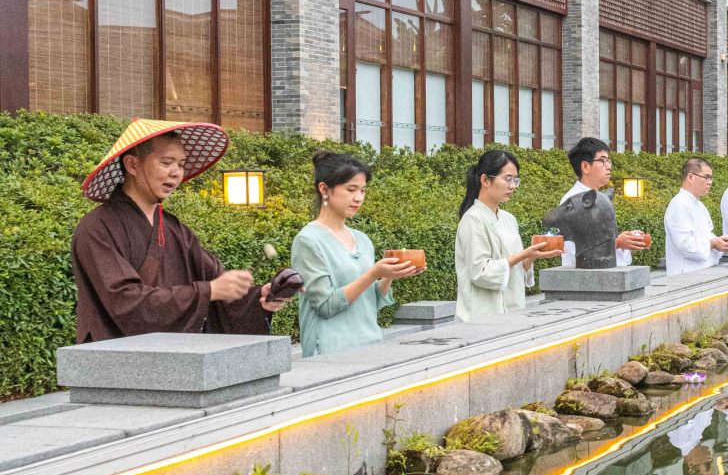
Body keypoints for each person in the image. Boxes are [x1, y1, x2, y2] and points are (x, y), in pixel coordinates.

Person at [71, 118, 292, 344]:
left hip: (174, 358)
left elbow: (217, 284)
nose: (176, 173)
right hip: (114, 361)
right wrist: (208, 291)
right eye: (167, 162)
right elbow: (124, 301)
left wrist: (260, 298)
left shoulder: (174, 229)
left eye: (181, 164)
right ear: (132, 165)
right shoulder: (97, 228)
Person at [291, 152, 424, 359]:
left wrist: (389, 275)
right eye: (351, 189)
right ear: (324, 189)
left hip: (369, 345)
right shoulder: (308, 241)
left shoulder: (362, 239)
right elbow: (325, 306)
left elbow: (370, 303)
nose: (359, 198)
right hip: (329, 351)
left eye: (363, 190)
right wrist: (372, 274)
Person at [454, 149, 549, 322]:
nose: (512, 186)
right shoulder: (472, 219)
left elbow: (515, 269)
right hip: (481, 317)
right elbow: (480, 272)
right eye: (507, 179)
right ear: (485, 180)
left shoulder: (509, 219)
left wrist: (530, 258)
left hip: (512, 312)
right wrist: (523, 254)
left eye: (515, 180)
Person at [557, 136, 650, 268]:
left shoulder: (600, 197)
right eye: (602, 160)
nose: (608, 166)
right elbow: (575, 250)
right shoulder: (573, 201)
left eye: (609, 160)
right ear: (585, 166)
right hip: (584, 278)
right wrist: (618, 243)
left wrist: (627, 241)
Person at [663, 158, 728, 276]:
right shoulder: (679, 204)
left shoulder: (699, 205)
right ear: (690, 177)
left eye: (711, 178)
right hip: (685, 273)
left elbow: (706, 234)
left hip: (702, 270)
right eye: (706, 177)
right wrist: (712, 244)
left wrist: (721, 241)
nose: (710, 182)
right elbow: (684, 243)